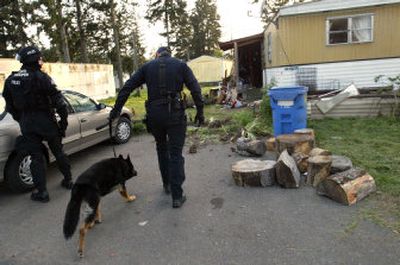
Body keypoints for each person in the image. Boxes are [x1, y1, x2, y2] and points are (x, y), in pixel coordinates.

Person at [109, 46, 204, 208]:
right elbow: (195, 89)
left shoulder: (147, 67)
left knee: (161, 148)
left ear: (157, 54)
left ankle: (167, 184)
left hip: (155, 116)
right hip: (175, 115)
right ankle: (177, 196)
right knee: (175, 154)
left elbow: (127, 88)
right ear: (169, 54)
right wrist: (200, 112)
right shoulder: (180, 65)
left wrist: (116, 110)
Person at [3, 46, 73, 203]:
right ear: (35, 59)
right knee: (58, 152)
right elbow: (60, 104)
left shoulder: (11, 79)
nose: (41, 61)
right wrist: (63, 123)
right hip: (46, 121)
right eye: (40, 58)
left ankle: (42, 192)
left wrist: (20, 118)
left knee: (35, 158)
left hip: (27, 124)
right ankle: (68, 181)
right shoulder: (42, 78)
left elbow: (8, 105)